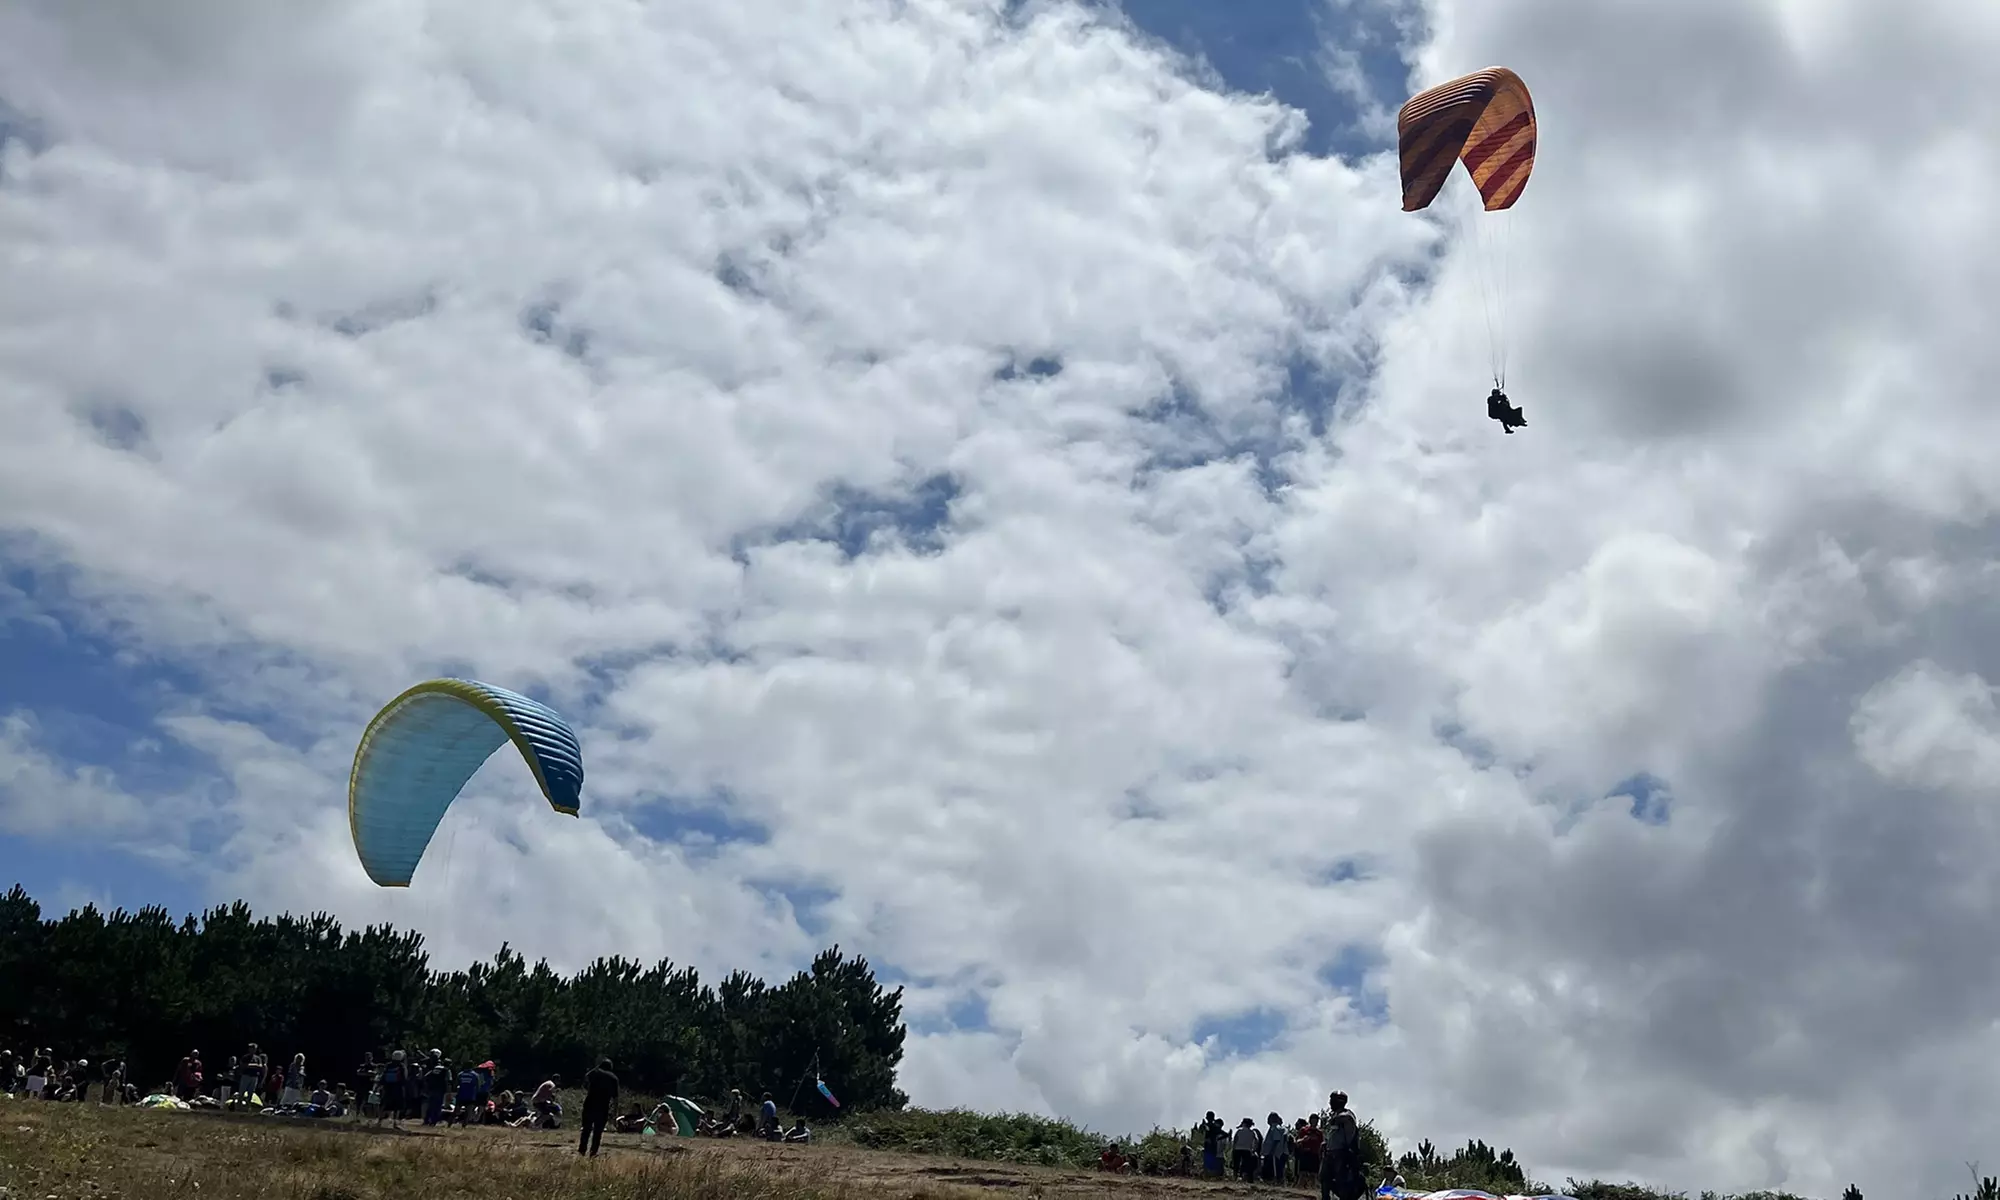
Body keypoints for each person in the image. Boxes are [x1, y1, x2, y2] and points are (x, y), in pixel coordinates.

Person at [1319, 1091, 1365, 1200]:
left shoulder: (1347, 1115)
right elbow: (1333, 1134)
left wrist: (1335, 1119)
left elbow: (1347, 1122)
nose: (1330, 1103)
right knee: (1324, 1178)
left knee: (1342, 1181)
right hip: (1330, 1153)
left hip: (1341, 1154)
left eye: (1332, 1101)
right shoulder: (1334, 1116)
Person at [579, 1057, 618, 1157]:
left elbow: (586, 1077)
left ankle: (582, 1151)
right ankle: (593, 1152)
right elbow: (615, 1098)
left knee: (586, 1129)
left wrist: (596, 1067)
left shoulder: (595, 1072)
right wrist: (614, 1113)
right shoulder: (613, 1078)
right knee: (598, 1132)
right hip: (603, 1108)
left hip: (590, 1105)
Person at [1231, 1117, 1261, 1182]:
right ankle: (1243, 1177)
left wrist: (1233, 1148)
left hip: (1237, 1149)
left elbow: (1235, 1140)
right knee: (1245, 1165)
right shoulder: (1252, 1133)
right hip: (1247, 1150)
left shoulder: (1239, 1131)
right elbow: (1256, 1141)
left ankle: (1235, 1177)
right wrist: (1254, 1149)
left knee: (1236, 1164)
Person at [1200, 1111, 1226, 1178]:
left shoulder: (1212, 1126)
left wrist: (1215, 1139)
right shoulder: (1214, 1127)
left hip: (1210, 1146)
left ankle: (1208, 1175)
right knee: (1209, 1161)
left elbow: (1225, 1134)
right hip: (1212, 1146)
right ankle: (1209, 1175)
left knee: (1208, 1161)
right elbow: (1225, 1134)